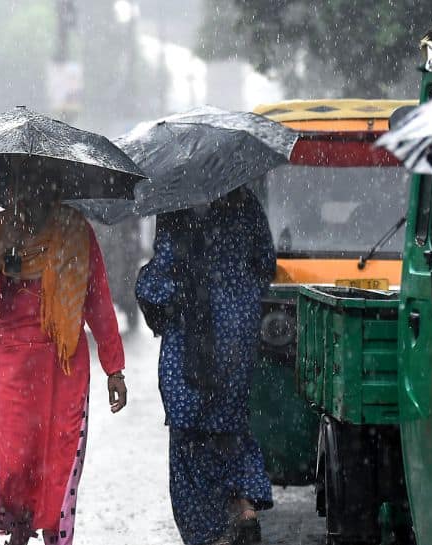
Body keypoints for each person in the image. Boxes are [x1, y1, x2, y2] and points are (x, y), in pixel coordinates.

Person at [0, 179, 127, 545]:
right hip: (13, 363)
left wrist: (113, 367)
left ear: (53, 192)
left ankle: (56, 533)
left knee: (61, 452)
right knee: (15, 459)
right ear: (10, 193)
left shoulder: (75, 231)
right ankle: (20, 527)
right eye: (22, 190)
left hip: (64, 361)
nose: (29, 198)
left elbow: (97, 299)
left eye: (38, 188)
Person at [136, 187, 276, 545]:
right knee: (230, 426)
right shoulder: (245, 201)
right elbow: (265, 262)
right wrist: (236, 293)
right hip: (236, 330)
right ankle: (244, 504)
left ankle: (209, 534)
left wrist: (147, 286)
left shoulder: (174, 202)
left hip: (190, 337)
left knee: (189, 435)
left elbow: (162, 279)